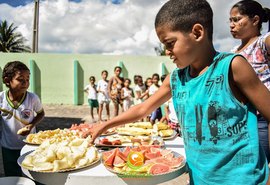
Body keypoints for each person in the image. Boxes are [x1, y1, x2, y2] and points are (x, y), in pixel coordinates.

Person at [90, 0, 270, 183]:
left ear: (197, 33)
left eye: (169, 43)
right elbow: (143, 108)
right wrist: (105, 125)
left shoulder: (232, 67)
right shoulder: (175, 79)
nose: (167, 52)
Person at [229, 0, 270, 162]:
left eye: (237, 19)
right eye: (230, 20)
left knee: (260, 169)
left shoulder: (264, 42)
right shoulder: (232, 53)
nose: (232, 25)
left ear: (255, 20)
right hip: (241, 121)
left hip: (262, 120)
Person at [0, 61, 45, 176]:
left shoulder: (32, 98)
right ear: (7, 80)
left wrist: (31, 125)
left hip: (28, 147)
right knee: (12, 176)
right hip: (8, 147)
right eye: (20, 79)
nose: (25, 83)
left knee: (30, 174)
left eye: (27, 79)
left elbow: (41, 113)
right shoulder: (1, 99)